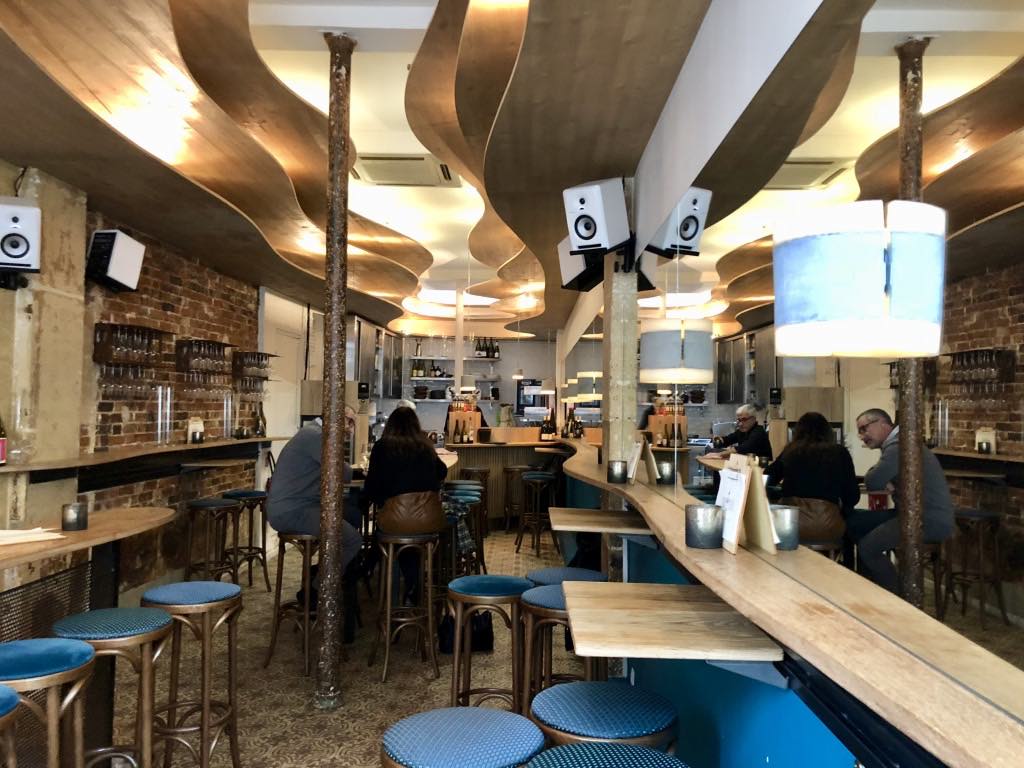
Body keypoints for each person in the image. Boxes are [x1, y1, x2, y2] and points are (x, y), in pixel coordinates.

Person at [849, 408, 953, 594]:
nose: (862, 436)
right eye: (859, 431)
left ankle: (897, 598)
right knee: (857, 523)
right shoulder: (900, 445)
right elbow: (878, 479)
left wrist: (882, 477)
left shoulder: (898, 447)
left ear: (883, 424)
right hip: (912, 514)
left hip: (927, 519)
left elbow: (873, 481)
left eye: (864, 429)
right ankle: (868, 591)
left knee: (868, 548)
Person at [363, 406, 448, 602]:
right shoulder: (424, 446)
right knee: (411, 538)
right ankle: (413, 586)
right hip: (429, 520)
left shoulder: (382, 447)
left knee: (392, 535)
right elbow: (442, 472)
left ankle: (388, 594)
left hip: (395, 520)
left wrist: (384, 499)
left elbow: (371, 489)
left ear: (390, 426)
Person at [767, 411, 859, 543]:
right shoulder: (839, 452)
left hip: (790, 525)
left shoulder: (790, 452)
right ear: (827, 432)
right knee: (851, 522)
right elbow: (853, 497)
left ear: (798, 432)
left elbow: (768, 478)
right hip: (827, 525)